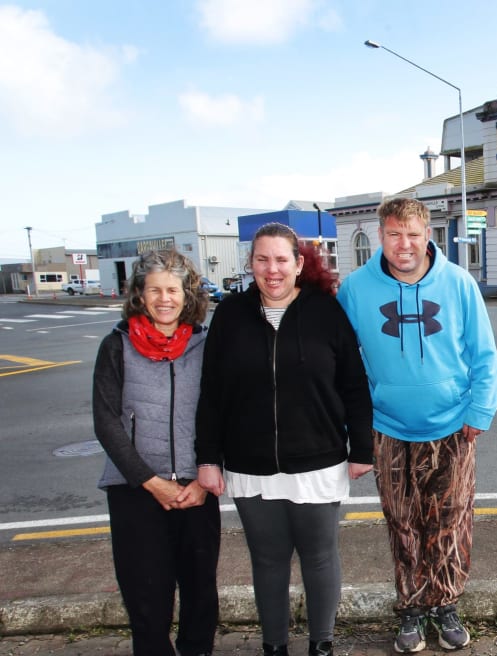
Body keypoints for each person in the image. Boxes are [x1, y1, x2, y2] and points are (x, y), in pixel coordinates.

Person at [196, 224, 373, 656]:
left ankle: (321, 644)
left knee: (319, 556)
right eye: (262, 260)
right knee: (269, 560)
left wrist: (362, 448)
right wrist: (207, 458)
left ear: (298, 263)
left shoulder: (326, 312)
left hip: (318, 460)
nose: (271, 270)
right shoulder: (231, 315)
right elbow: (212, 392)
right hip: (249, 462)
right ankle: (273, 646)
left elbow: (354, 384)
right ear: (251, 264)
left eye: (280, 260)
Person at [337, 198, 497, 653]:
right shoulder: (356, 289)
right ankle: (410, 609)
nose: (403, 244)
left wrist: (479, 411)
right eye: (393, 234)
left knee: (450, 522)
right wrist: (356, 429)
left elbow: (484, 354)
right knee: (402, 523)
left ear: (428, 233)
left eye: (412, 234)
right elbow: (345, 365)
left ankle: (445, 604)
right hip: (387, 427)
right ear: (381, 234)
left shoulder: (459, 284)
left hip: (452, 426)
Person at [93, 249, 219, 656]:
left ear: (187, 295)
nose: (164, 299)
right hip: (135, 490)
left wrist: (204, 476)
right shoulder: (116, 345)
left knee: (200, 593)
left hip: (196, 486)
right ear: (139, 295)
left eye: (173, 290)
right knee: (146, 596)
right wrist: (151, 482)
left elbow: (223, 412)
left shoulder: (206, 344)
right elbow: (107, 422)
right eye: (154, 290)